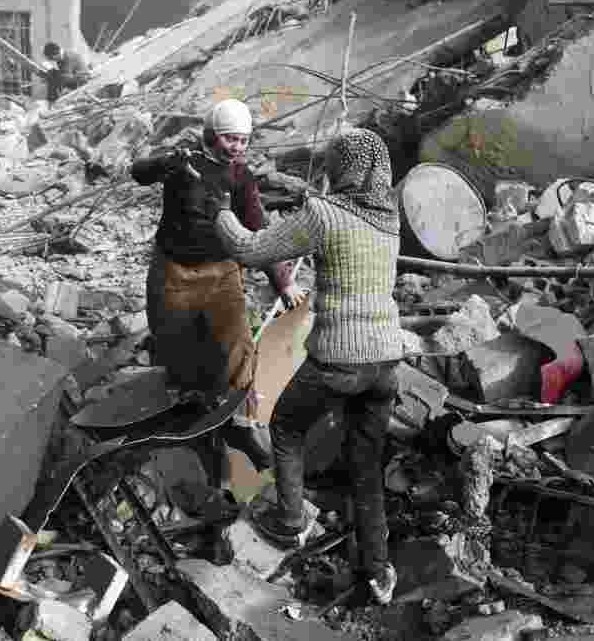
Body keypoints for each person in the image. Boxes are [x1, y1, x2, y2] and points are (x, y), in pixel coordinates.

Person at [214, 128, 405, 605]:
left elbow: (251, 249)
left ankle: (290, 521)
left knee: (286, 426)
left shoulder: (325, 215)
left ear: (339, 169)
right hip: (385, 363)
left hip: (340, 358)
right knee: (366, 464)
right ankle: (377, 571)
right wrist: (288, 187)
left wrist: (217, 210)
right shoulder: (388, 218)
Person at [130, 99, 304, 481]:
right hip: (174, 271)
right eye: (229, 138)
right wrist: (164, 163)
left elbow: (259, 233)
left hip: (223, 272)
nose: (237, 146)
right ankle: (189, 418)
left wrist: (284, 282)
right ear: (212, 134)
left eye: (243, 139)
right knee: (176, 344)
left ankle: (242, 423)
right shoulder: (183, 162)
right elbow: (137, 172)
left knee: (239, 345)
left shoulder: (241, 178)